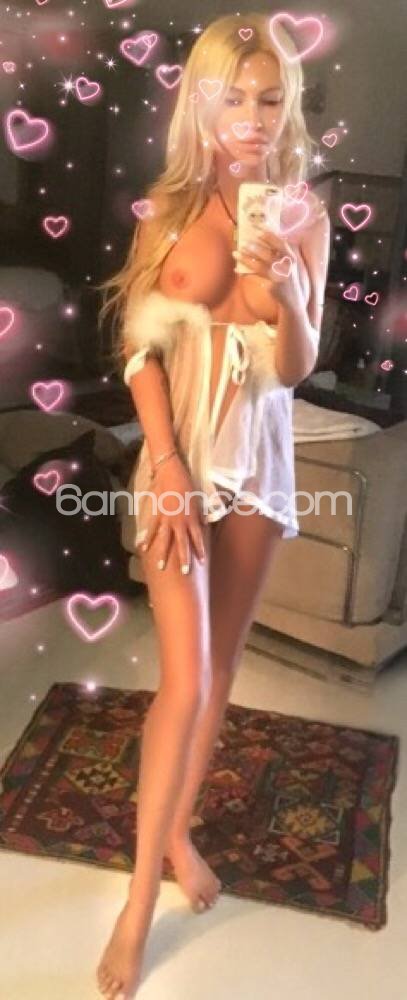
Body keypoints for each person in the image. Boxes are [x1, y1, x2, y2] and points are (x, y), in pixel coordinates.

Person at [96, 11, 330, 999]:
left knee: (222, 664)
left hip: (259, 461)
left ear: (288, 107)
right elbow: (138, 349)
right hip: (180, 460)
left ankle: (179, 831)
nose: (250, 117)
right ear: (199, 102)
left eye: (269, 98)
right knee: (184, 681)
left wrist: (289, 296)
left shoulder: (301, 216)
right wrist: (163, 463)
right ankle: (137, 904)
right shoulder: (166, 210)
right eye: (231, 96)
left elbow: (295, 367)